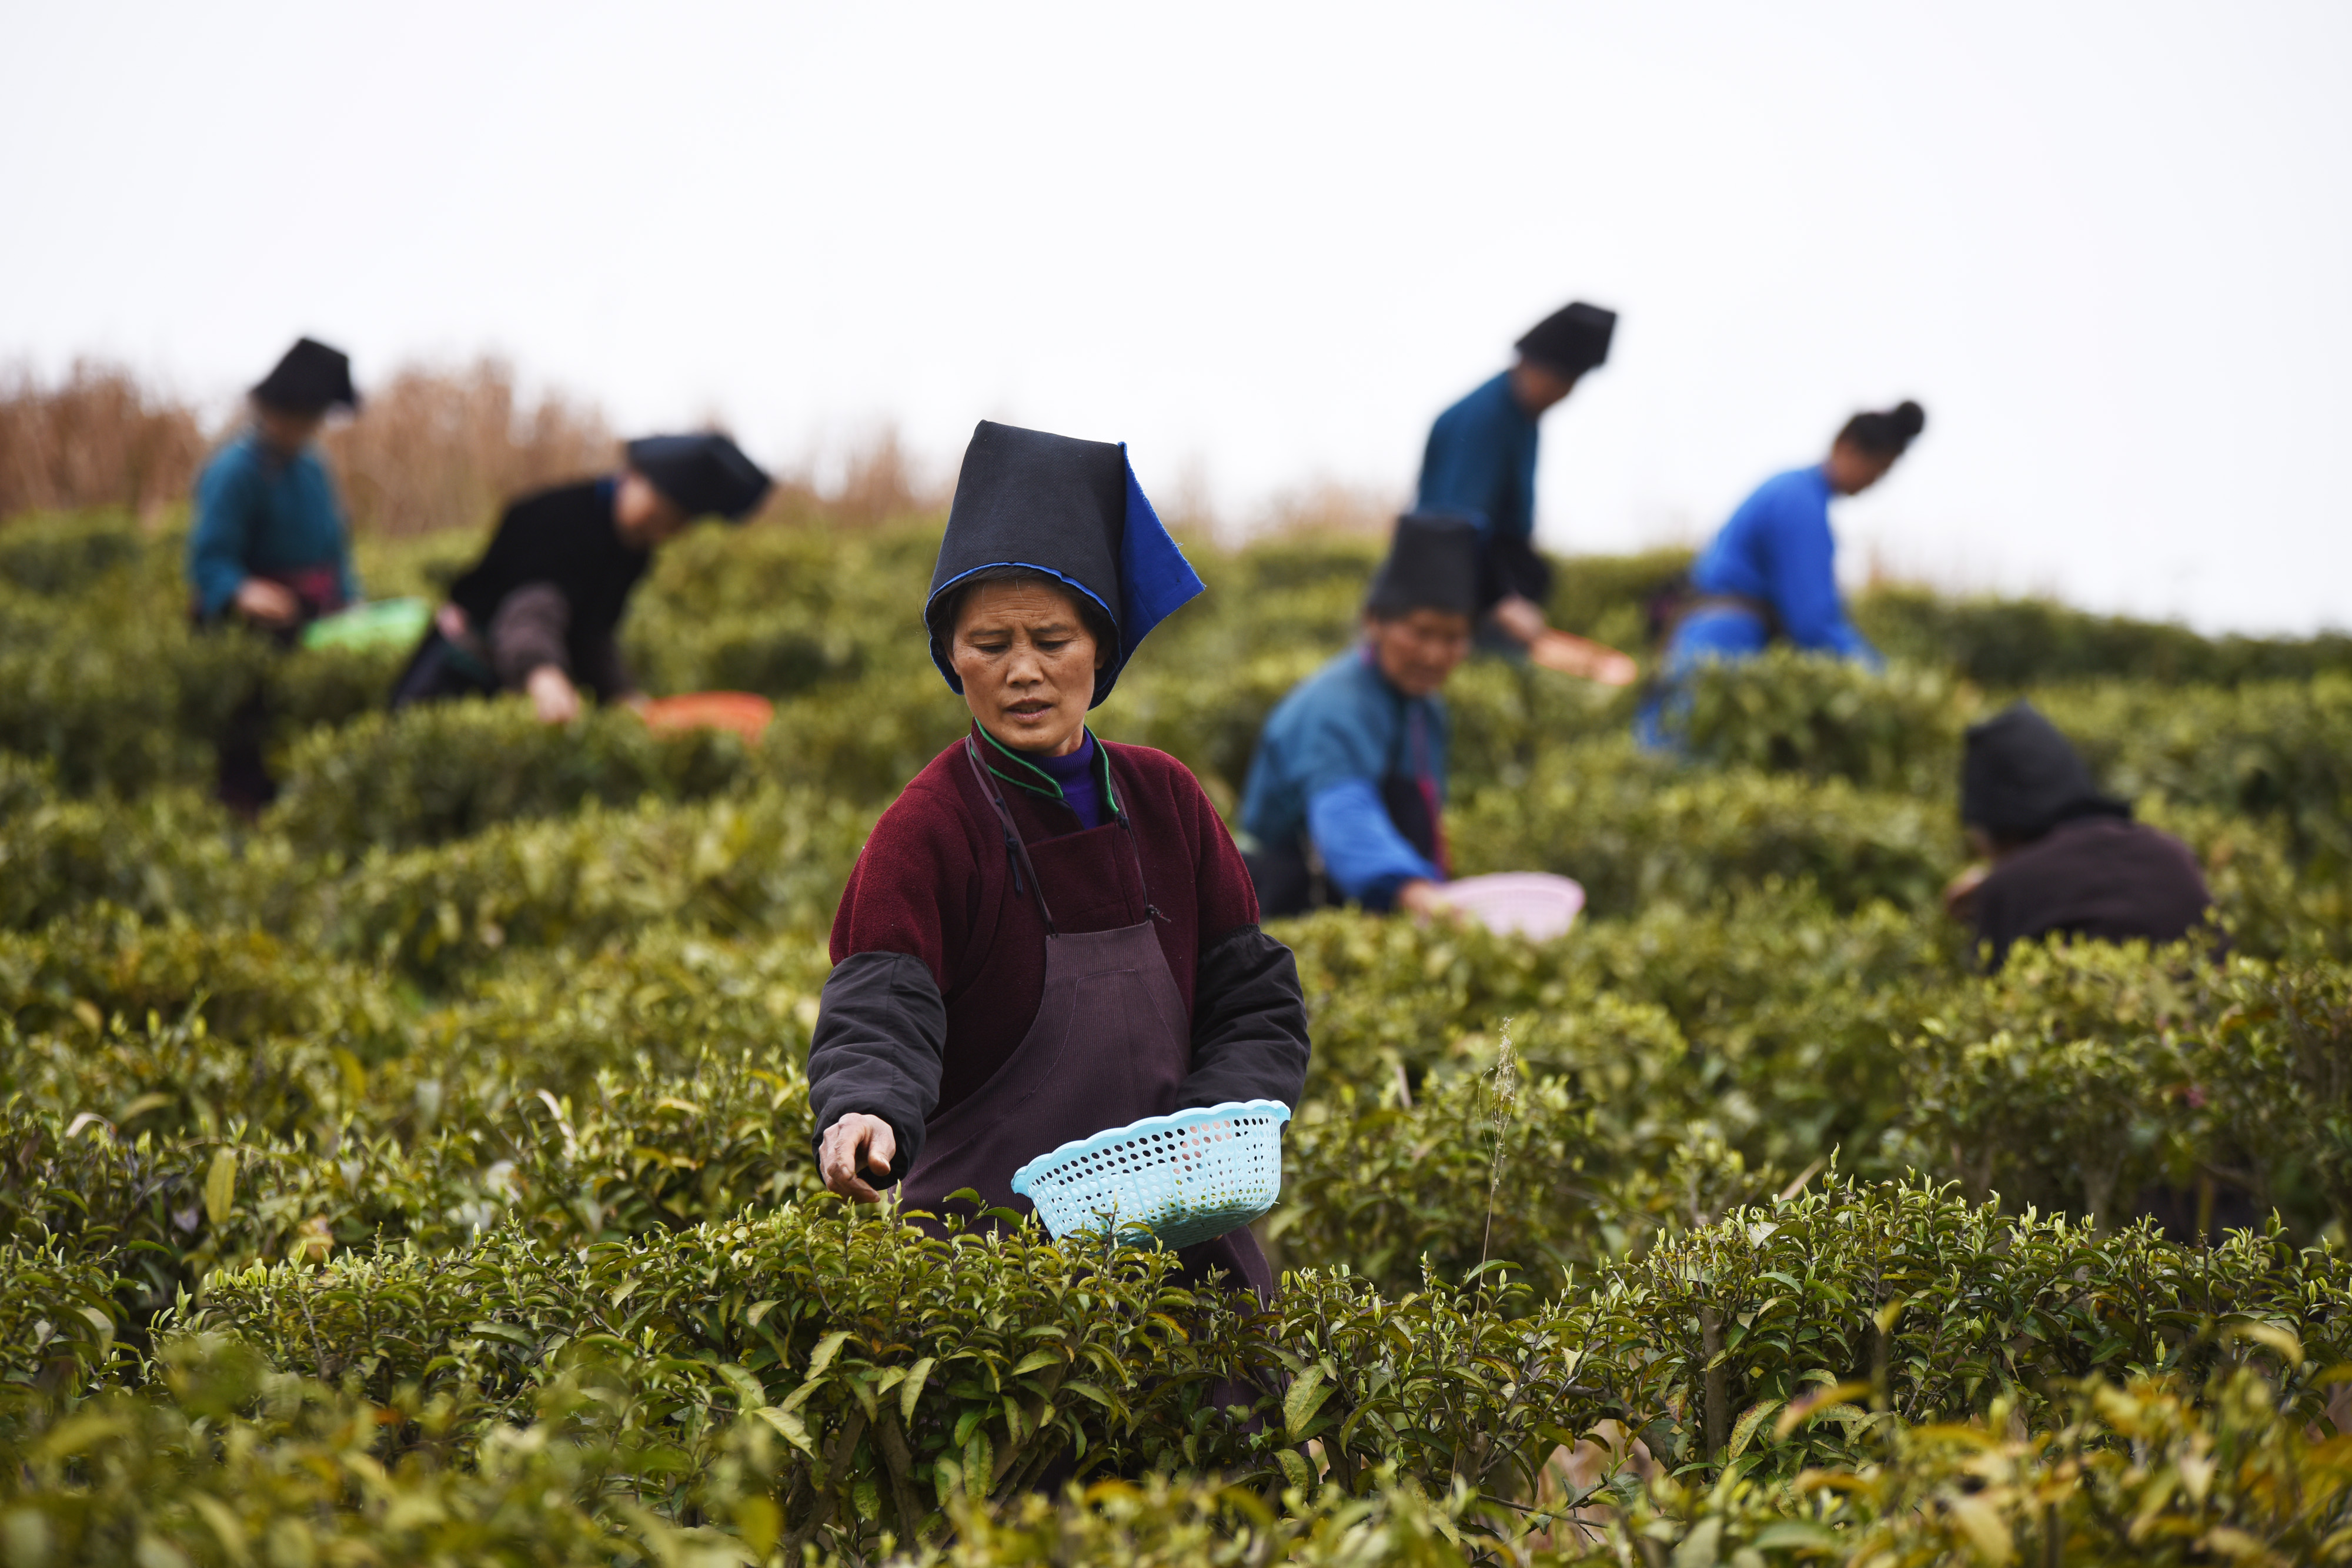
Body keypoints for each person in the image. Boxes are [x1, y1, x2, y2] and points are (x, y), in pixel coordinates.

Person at [805, 420, 1311, 1299]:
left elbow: (1255, 1001)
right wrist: (866, 1108)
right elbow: (883, 1005)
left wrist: (1213, 1121)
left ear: (1101, 649)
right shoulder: (926, 827)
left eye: (1052, 639)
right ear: (952, 659)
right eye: (991, 645)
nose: (1024, 671)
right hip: (992, 1279)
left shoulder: (1167, 800)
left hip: (1179, 1249)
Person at [389, 434, 770, 721]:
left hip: (506, 684)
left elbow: (592, 632)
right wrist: (544, 675)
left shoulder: (633, 550)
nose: (662, 531)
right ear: (632, 477)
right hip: (458, 669)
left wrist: (621, 696)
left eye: (675, 524)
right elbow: (529, 612)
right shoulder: (561, 517)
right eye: (658, 513)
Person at [1637, 400, 1926, 748]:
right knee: (1684, 750)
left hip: (1705, 635)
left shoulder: (1792, 489)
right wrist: (1885, 677)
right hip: (1723, 643)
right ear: (1845, 447)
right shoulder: (1801, 504)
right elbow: (1812, 622)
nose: (1874, 484)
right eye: (1876, 470)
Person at [1237, 513, 1480, 920]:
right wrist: (1419, 894)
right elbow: (1344, 814)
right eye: (1421, 632)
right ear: (1374, 620)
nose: (1436, 655)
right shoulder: (1335, 705)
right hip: (1295, 903)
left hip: (1373, 902)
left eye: (1453, 637)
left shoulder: (1426, 708)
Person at [186, 337, 363, 815]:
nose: (301, 428)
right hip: (247, 627)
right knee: (249, 747)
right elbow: (209, 559)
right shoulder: (235, 470)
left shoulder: (313, 468)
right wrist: (244, 590)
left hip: (308, 617)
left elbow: (336, 550)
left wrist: (351, 603)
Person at [1416, 301, 1632, 680]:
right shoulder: (1486, 418)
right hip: (1455, 594)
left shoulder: (1522, 418)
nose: (1566, 396)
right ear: (1537, 368)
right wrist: (1502, 602)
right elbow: (1456, 526)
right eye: (1564, 383)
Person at [1945, 702, 2213, 969]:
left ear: (1996, 824)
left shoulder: (2010, 888)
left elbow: (1996, 996)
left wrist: (1996, 894)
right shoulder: (2169, 851)